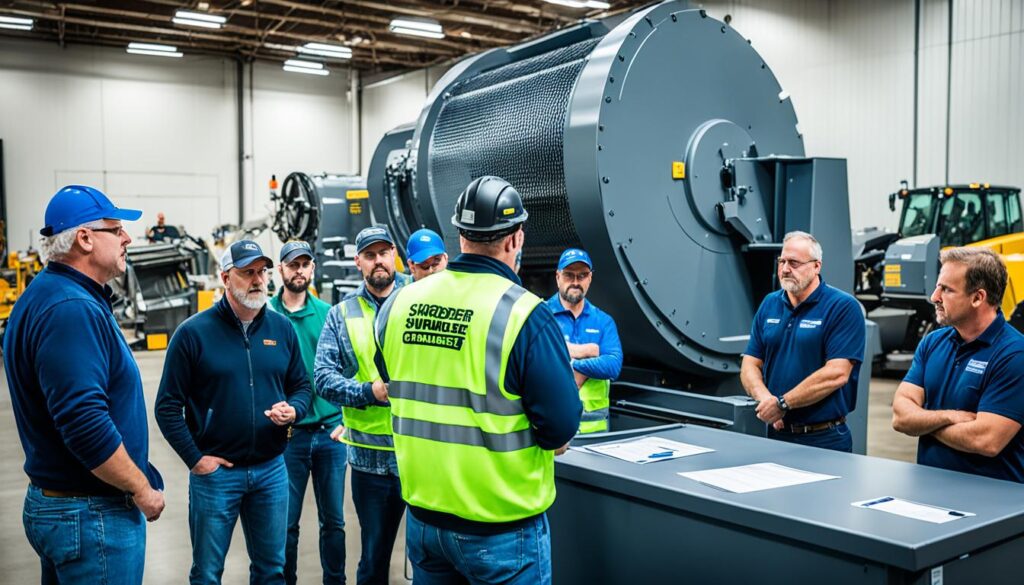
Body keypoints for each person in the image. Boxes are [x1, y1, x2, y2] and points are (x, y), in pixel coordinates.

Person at [376, 175, 582, 585]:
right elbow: (559, 428)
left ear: (460, 235)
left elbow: (395, 381)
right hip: (502, 534)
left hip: (424, 525)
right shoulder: (524, 314)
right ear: (515, 239)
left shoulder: (398, 304)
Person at [4, 185, 165, 584]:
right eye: (117, 229)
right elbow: (83, 423)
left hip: (70, 509)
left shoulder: (50, 294)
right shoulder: (71, 309)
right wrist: (141, 488)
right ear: (85, 238)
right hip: (92, 517)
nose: (127, 238)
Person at [155, 239, 312, 584]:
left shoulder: (281, 329)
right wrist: (196, 459)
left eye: (262, 272)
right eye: (247, 273)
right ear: (225, 278)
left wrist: (295, 411)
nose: (258, 280)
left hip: (271, 470)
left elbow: (302, 386)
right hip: (217, 476)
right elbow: (166, 407)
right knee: (208, 573)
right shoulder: (193, 334)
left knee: (272, 570)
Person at [314, 226, 411, 585]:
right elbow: (322, 377)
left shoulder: (417, 302)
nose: (378, 261)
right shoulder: (342, 314)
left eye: (384, 253)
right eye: (369, 255)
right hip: (370, 463)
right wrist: (370, 392)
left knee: (428, 559)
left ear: (395, 256)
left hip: (420, 455)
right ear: (358, 263)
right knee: (373, 561)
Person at [892, 247, 1024, 482]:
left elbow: (986, 440)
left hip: (993, 503)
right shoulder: (933, 342)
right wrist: (949, 416)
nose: (934, 297)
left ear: (977, 298)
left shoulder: (1014, 354)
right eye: (937, 287)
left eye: (947, 290)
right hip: (930, 490)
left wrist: (923, 422)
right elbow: (901, 416)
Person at [740, 231, 866, 452]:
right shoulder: (770, 304)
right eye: (782, 261)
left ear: (817, 266)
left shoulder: (843, 307)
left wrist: (783, 404)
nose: (786, 269)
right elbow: (750, 364)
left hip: (824, 438)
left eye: (794, 263)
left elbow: (836, 374)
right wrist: (768, 402)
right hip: (775, 435)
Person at [268, 240, 346, 585]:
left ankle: (336, 580)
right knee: (285, 523)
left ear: (312, 269)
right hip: (288, 438)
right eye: (292, 264)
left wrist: (345, 419)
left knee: (334, 522)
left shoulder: (329, 314)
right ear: (281, 270)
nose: (299, 270)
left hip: (330, 434)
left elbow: (348, 368)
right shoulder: (266, 317)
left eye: (305, 264)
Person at [544, 247, 623, 433]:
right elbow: (538, 360)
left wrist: (573, 366)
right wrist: (587, 351)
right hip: (551, 431)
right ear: (558, 277)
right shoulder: (541, 314)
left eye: (582, 276)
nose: (575, 282)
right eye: (569, 275)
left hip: (595, 435)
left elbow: (613, 366)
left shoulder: (603, 321)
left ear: (590, 278)